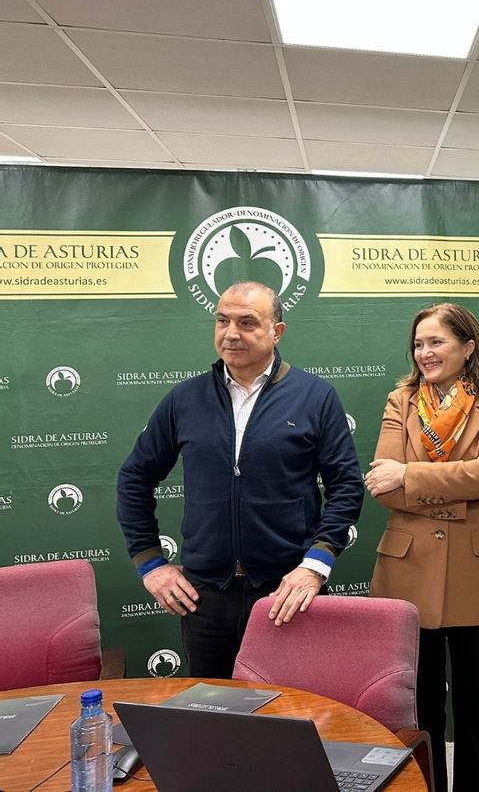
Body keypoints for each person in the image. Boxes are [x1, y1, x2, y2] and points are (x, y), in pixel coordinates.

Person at [117, 281, 363, 679]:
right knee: (215, 719)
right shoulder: (185, 399)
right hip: (205, 597)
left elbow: (347, 485)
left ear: (276, 331)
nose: (231, 333)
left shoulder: (315, 397)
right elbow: (135, 477)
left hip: (287, 591)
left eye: (247, 322)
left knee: (292, 716)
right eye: (222, 320)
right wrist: (150, 564)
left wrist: (316, 564)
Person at [366, 303, 479, 792]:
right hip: (409, 576)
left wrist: (411, 477)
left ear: (468, 346)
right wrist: (458, 493)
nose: (425, 353)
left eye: (436, 342)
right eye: (418, 344)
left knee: (477, 710)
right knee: (421, 712)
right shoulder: (402, 401)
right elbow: (382, 483)